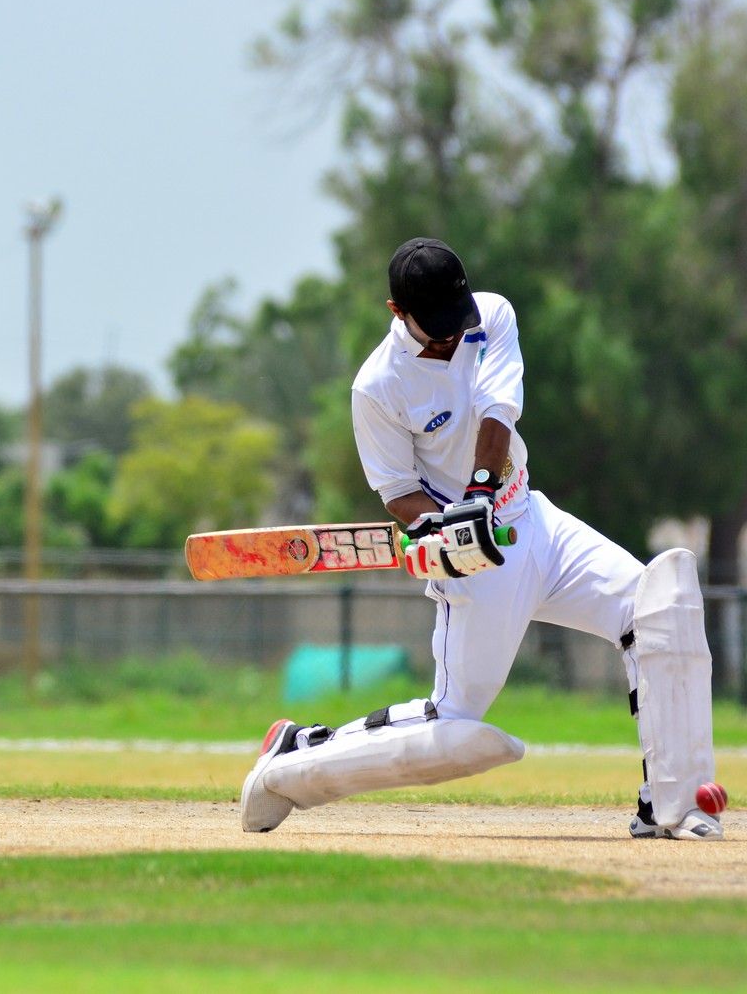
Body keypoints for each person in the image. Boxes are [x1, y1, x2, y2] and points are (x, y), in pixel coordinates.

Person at [240, 238, 721, 840]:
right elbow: (398, 492)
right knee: (454, 723)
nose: (449, 335)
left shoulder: (491, 314)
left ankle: (674, 804)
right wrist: (446, 530)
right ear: (397, 312)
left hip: (534, 522)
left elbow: (498, 411)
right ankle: (296, 755)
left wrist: (482, 493)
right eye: (433, 325)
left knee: (653, 611)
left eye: (454, 319)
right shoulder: (377, 387)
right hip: (475, 562)